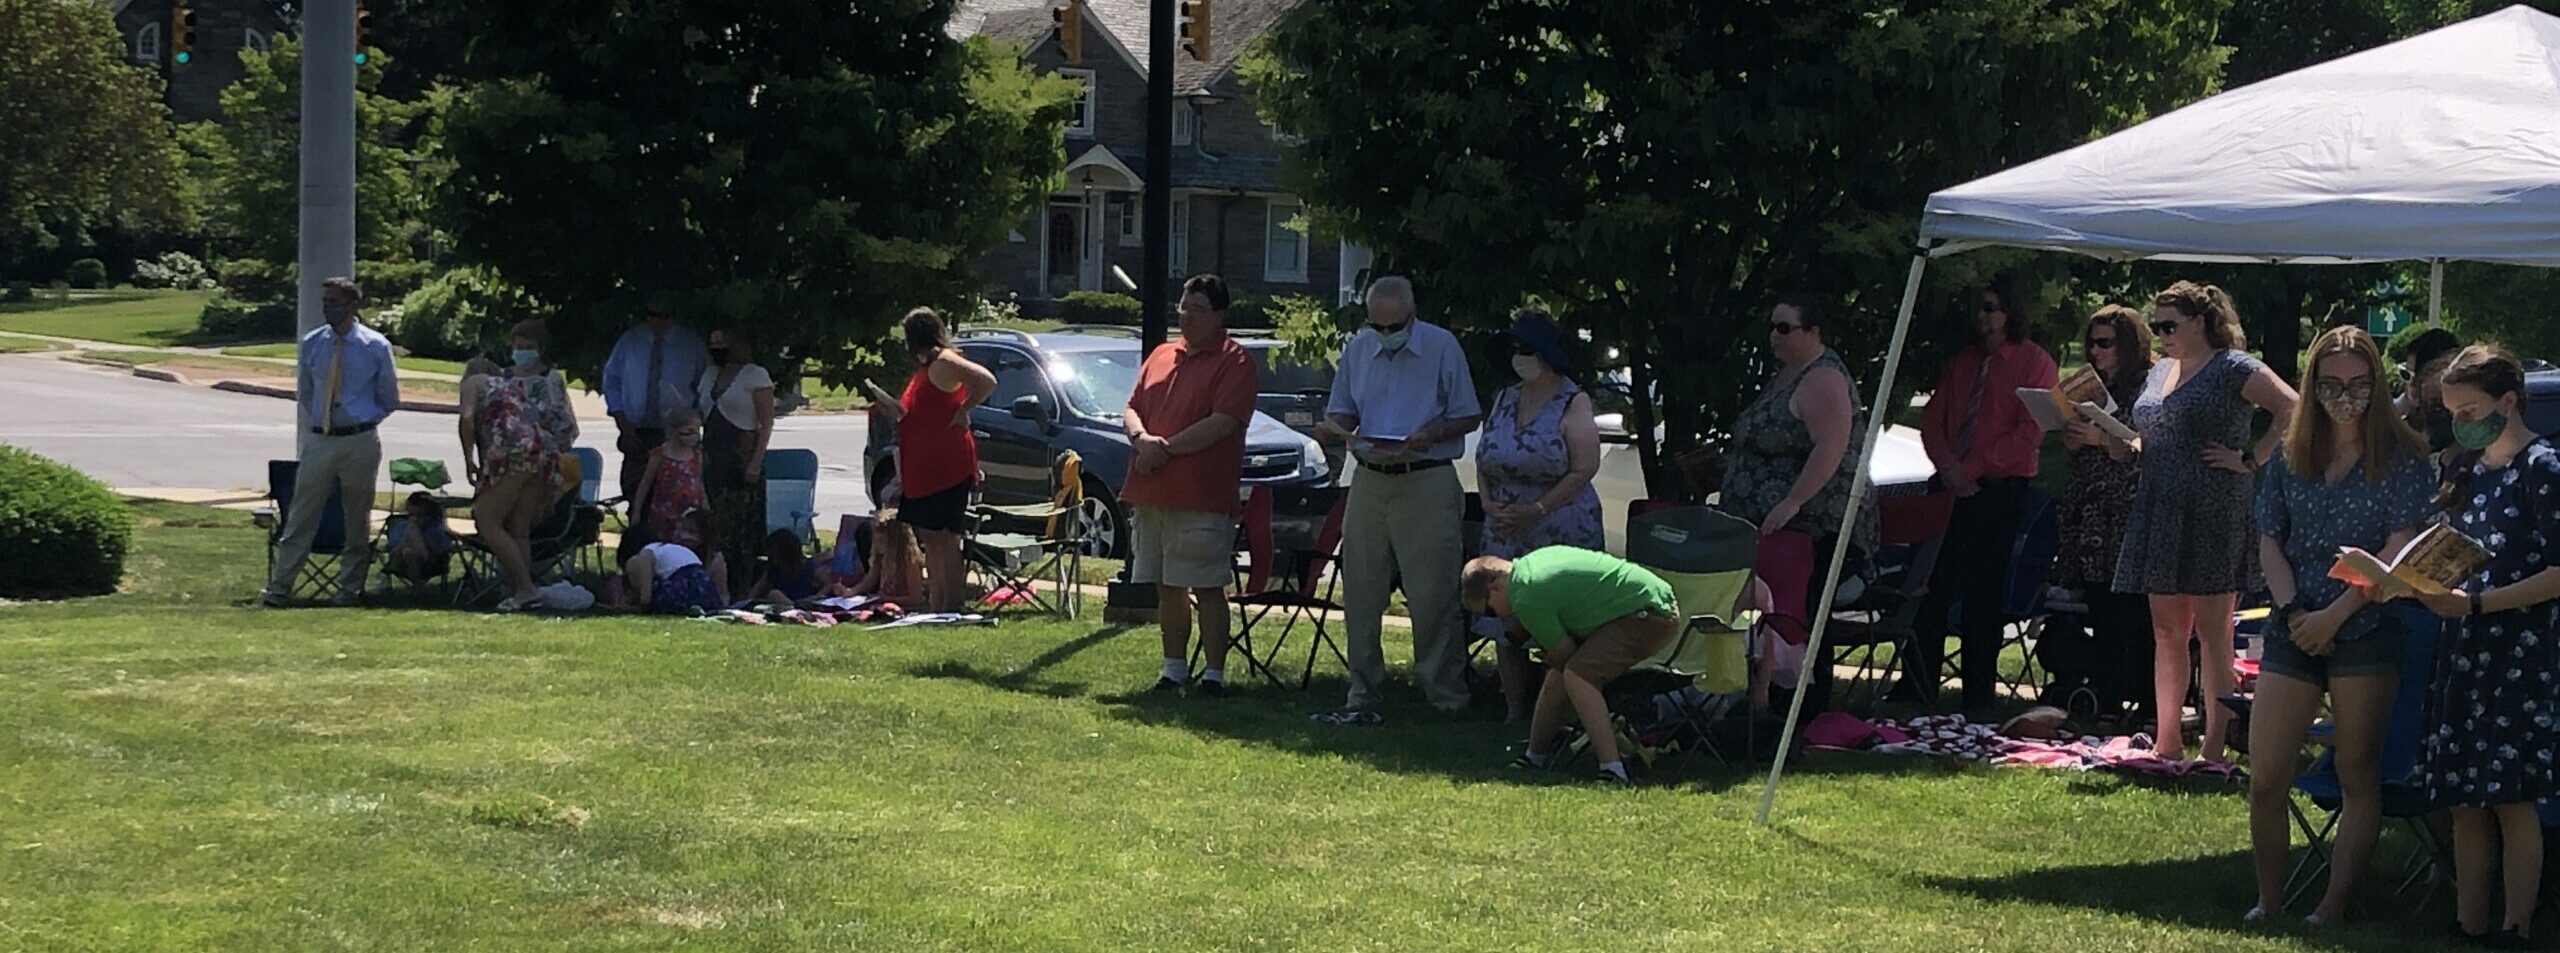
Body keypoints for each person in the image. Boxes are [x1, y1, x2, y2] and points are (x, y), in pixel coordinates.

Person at [2243, 326, 2436, 928]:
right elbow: (2270, 538)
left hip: (2366, 624)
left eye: (2357, 384)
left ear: (2377, 384)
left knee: (2357, 771)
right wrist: (2296, 611)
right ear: (2312, 385)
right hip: (2293, 621)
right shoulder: (2290, 455)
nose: (2344, 396)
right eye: (2330, 385)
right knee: (2267, 775)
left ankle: (2332, 906)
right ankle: (2269, 901)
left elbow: (2398, 552)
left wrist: (2334, 615)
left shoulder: (2404, 458)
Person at [2413, 345, 2560, 945]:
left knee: (2512, 797)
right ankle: (2468, 920)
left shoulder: (2543, 468)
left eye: (2469, 408)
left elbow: (2557, 571)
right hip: (2464, 647)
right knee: (2462, 797)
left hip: (2519, 652)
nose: (2460, 422)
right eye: (2450, 411)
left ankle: (2515, 924)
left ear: (2509, 401)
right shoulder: (2467, 469)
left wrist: (2478, 604)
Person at [2115, 281, 2298, 763]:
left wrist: (2252, 458)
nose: (2161, 334)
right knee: (2166, 630)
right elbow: (2149, 434)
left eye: (2170, 325)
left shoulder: (2233, 366)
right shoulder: (2159, 371)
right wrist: (2113, 438)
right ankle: (2167, 740)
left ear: (2201, 322)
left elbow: (2293, 407)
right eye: (2156, 326)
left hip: (2214, 507)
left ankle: (2215, 745)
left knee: (2213, 631)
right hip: (2159, 505)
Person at [1324, 276, 1484, 713]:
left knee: (1434, 593)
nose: (1388, 335)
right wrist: (1332, 427)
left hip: (1426, 477)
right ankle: (1362, 692)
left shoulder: (1441, 346)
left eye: (1396, 326)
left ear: (1412, 316)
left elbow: (1468, 414)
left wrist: (1433, 432)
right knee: (1360, 590)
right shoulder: (1358, 349)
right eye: (1380, 326)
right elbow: (1343, 409)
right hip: (1370, 476)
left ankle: (1444, 695)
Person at [1719, 294, 1876, 716]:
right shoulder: (1789, 375)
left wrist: (1793, 501)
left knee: (1804, 614)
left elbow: (1831, 446)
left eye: (1784, 328)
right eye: (1772, 326)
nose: (1774, 335)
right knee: (1773, 609)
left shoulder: (1823, 378)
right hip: (1773, 530)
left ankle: (1806, 710)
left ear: (1813, 332)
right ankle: (1761, 700)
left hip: (1813, 528)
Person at [1908, 283, 2061, 710]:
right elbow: (1932, 420)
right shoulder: (1963, 362)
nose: (1984, 318)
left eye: (1992, 309)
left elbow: (2029, 434)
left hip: (1999, 489)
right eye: (1979, 309)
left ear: (2010, 313)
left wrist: (1970, 470)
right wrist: (1949, 469)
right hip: (1950, 485)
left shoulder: (2036, 364)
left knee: (1984, 592)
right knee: (1930, 584)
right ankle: (1917, 683)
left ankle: (1978, 693)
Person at [1124, 274, 1259, 695]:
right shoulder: (1162, 355)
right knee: (1168, 586)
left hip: (1202, 495)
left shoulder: (1234, 361)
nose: (1187, 318)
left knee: (1207, 585)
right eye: (1183, 308)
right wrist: (1142, 439)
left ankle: (1215, 676)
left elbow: (1222, 424)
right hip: (1151, 491)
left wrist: (1166, 449)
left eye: (1198, 310)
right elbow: (1131, 407)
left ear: (1219, 315)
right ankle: (1173, 670)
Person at [1470, 307, 1604, 723]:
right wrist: (1489, 502)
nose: (1518, 357)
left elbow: (1584, 467)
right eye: (1512, 349)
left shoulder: (1573, 400)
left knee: (1557, 621)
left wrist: (1537, 509)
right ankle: (1513, 709)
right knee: (1503, 617)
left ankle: (1559, 709)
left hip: (1559, 523)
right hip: (1504, 527)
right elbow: (1486, 455)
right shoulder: (1504, 398)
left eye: (1525, 349)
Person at [1463, 548, 1680, 784]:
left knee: (1578, 675)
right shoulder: (1530, 564)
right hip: (1648, 604)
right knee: (1560, 676)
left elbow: (1565, 654)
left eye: (1490, 612)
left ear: (1493, 588)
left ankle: (1613, 770)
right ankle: (1534, 756)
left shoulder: (1526, 597)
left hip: (1648, 616)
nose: (1498, 618)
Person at [257, 277, 398, 608]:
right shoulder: (313, 342)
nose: (328, 308)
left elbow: (389, 397)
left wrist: (360, 417)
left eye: (334, 302)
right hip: (321, 440)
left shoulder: (375, 346)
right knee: (301, 516)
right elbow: (305, 391)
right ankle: (279, 588)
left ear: (352, 305)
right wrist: (323, 419)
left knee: (356, 518)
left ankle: (349, 590)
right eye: (325, 302)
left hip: (359, 440)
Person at [2048, 306, 2155, 718]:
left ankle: (2148, 703)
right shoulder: (2092, 386)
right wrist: (2075, 440)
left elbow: (2144, 448)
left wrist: (2100, 437)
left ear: (2129, 344)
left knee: (2138, 616)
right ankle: (2106, 700)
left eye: (2105, 342)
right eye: (2091, 343)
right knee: (2103, 613)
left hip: (2128, 514)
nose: (2095, 351)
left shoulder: (2148, 388)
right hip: (2092, 516)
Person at [862, 308, 994, 613]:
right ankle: (937, 606)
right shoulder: (924, 369)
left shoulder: (945, 361)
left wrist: (966, 408)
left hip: (946, 464)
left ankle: (952, 606)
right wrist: (889, 409)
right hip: (923, 466)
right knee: (931, 539)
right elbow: (916, 412)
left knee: (946, 538)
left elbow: (986, 381)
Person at [459, 320, 580, 612]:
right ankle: (522, 592)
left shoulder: (475, 383)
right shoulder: (508, 385)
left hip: (514, 452)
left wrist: (468, 461)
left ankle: (524, 587)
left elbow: (466, 420)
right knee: (519, 528)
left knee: (485, 518)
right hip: (543, 455)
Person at [602, 295, 711, 501]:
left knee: (676, 494)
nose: (658, 321)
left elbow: (705, 387)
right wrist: (623, 423)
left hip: (676, 432)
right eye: (652, 315)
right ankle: (637, 529)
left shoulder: (691, 345)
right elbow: (612, 382)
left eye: (664, 316)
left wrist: (691, 425)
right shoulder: (629, 342)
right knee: (635, 490)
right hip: (636, 431)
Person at [697, 326, 777, 591]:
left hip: (743, 457)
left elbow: (766, 423)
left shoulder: (755, 375)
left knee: (742, 527)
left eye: (722, 343)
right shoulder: (710, 374)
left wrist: (756, 461)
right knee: (713, 521)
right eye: (713, 343)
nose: (717, 348)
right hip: (712, 456)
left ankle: (744, 583)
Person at [624, 507, 729, 615]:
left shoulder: (647, 552)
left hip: (682, 591)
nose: (683, 536)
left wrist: (644, 605)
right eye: (679, 529)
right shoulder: (676, 554)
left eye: (692, 532)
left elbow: (646, 596)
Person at [631, 408, 711, 548]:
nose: (695, 435)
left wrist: (705, 501)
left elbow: (699, 479)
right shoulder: (660, 454)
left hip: (691, 510)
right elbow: (645, 484)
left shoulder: (696, 454)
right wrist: (636, 512)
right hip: (665, 513)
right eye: (690, 430)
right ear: (674, 430)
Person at [2395, 326, 2463, 455]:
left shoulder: (2464, 425)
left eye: (2423, 376)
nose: (2413, 385)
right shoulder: (2396, 427)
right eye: (2407, 375)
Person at [844, 516, 926, 604]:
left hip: (902, 605)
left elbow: (915, 598)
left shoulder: (910, 561)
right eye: (876, 540)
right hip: (884, 602)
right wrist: (851, 591)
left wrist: (887, 599)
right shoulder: (880, 558)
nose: (878, 545)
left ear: (896, 541)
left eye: (882, 541)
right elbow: (870, 581)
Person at [384, 492, 454, 585]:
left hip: (432, 563)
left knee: (410, 550)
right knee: (410, 541)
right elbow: (394, 548)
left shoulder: (435, 528)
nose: (416, 519)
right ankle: (418, 583)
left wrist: (424, 540)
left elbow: (445, 547)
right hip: (400, 562)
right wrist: (409, 535)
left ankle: (417, 587)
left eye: (421, 515)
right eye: (412, 515)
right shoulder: (400, 527)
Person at [743, 529, 822, 607]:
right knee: (774, 594)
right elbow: (760, 585)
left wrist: (817, 596)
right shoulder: (774, 568)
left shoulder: (808, 566)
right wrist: (748, 600)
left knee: (774, 593)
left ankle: (796, 609)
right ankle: (794, 607)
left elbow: (827, 583)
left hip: (802, 600)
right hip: (782, 602)